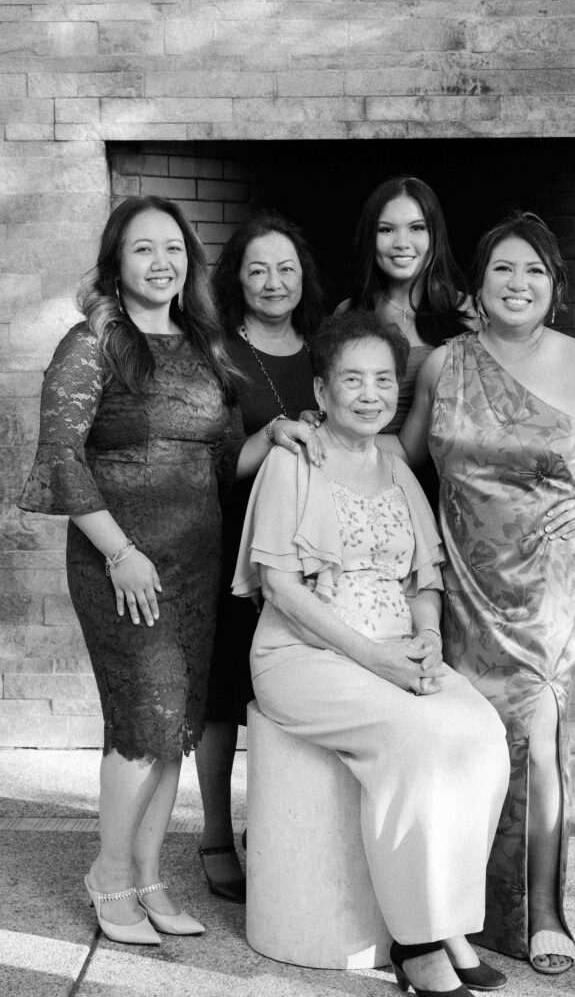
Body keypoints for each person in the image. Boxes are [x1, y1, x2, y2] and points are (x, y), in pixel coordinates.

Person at [17, 197, 316, 945]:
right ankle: (108, 875)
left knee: (177, 726)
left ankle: (149, 879)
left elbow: (218, 461)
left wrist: (273, 433)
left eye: (173, 249)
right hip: (122, 562)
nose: (161, 262)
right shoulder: (92, 343)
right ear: (116, 263)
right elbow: (61, 457)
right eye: (143, 249)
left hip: (195, 559)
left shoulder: (200, 343)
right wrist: (119, 552)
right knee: (142, 721)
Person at [398, 211, 575, 975]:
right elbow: (401, 461)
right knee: (460, 740)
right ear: (476, 287)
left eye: (533, 271)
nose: (516, 283)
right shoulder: (440, 365)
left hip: (542, 588)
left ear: (554, 288)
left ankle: (541, 910)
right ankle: (449, 908)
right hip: (455, 576)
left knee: (536, 735)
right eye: (501, 270)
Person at [232, 310, 511, 997]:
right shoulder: (291, 462)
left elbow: (424, 578)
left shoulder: (394, 467)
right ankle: (416, 945)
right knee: (416, 739)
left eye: (382, 380)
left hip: (393, 649)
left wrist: (424, 639)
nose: (369, 393)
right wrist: (373, 659)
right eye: (351, 380)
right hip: (302, 655)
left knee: (482, 734)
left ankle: (447, 921)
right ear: (322, 393)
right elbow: (281, 590)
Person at [195, 212, 325, 901]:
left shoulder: (326, 347)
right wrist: (270, 433)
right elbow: (209, 466)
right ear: (236, 280)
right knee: (223, 700)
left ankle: (279, 827)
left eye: (285, 269)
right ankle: (216, 834)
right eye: (257, 269)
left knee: (294, 698)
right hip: (235, 549)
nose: (273, 282)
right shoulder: (217, 353)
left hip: (315, 561)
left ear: (303, 276)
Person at [335, 175, 469, 436]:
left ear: (435, 235)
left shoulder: (471, 312)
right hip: (360, 465)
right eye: (386, 230)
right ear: (370, 238)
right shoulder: (347, 313)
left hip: (444, 472)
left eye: (417, 228)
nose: (401, 243)